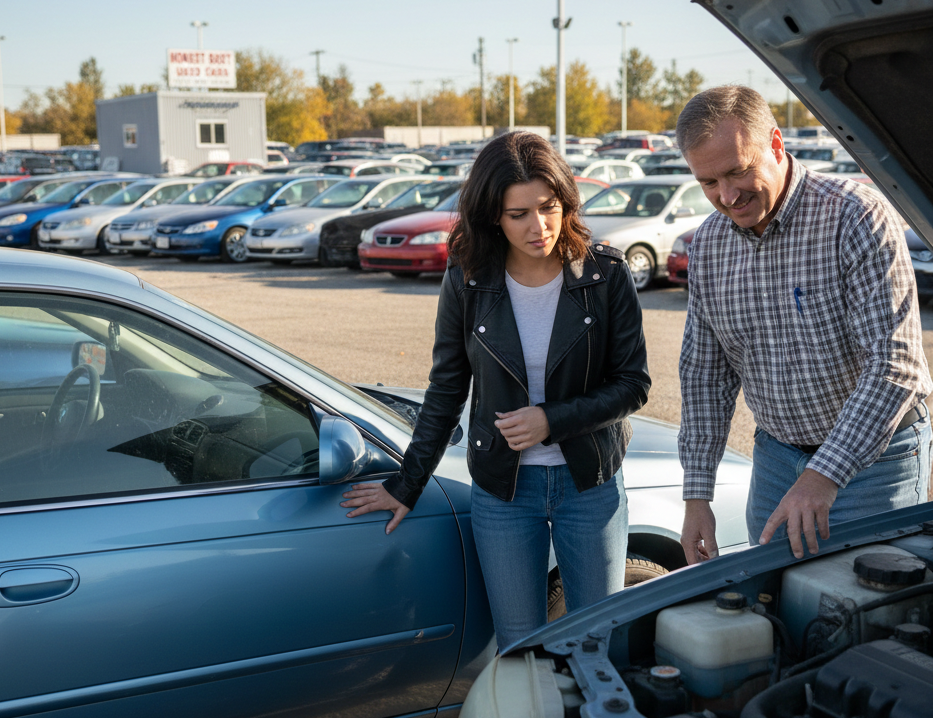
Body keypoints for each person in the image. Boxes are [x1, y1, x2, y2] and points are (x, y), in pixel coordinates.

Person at [339, 131, 651, 649]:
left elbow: (633, 384)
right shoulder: (469, 280)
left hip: (590, 486)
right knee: (518, 645)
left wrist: (552, 420)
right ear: (492, 217)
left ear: (566, 201)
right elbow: (445, 390)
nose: (539, 226)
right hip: (503, 492)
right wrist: (406, 485)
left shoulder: (605, 272)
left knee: (598, 642)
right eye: (518, 214)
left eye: (549, 207)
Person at [676, 85, 932, 564]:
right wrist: (697, 497)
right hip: (776, 461)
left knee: (867, 607)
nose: (727, 196)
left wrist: (821, 476)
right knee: (780, 611)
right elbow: (704, 376)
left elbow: (896, 366)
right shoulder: (708, 245)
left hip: (877, 461)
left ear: (775, 145)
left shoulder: (856, 216)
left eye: (737, 171)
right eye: (708, 183)